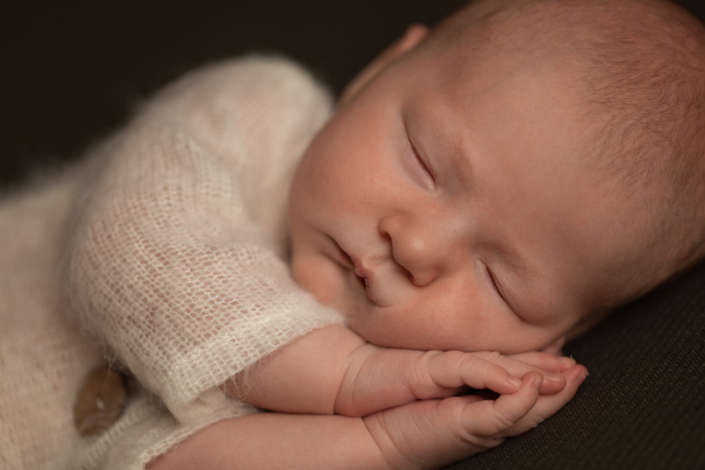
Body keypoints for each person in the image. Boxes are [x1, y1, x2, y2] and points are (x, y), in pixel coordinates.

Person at [1, 0, 703, 469]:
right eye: (425, 163)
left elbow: (178, 458)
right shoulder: (259, 112)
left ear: (554, 341)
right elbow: (131, 247)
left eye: (500, 281)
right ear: (380, 70)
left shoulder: (393, 384)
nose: (416, 246)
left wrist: (379, 444)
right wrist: (346, 380)